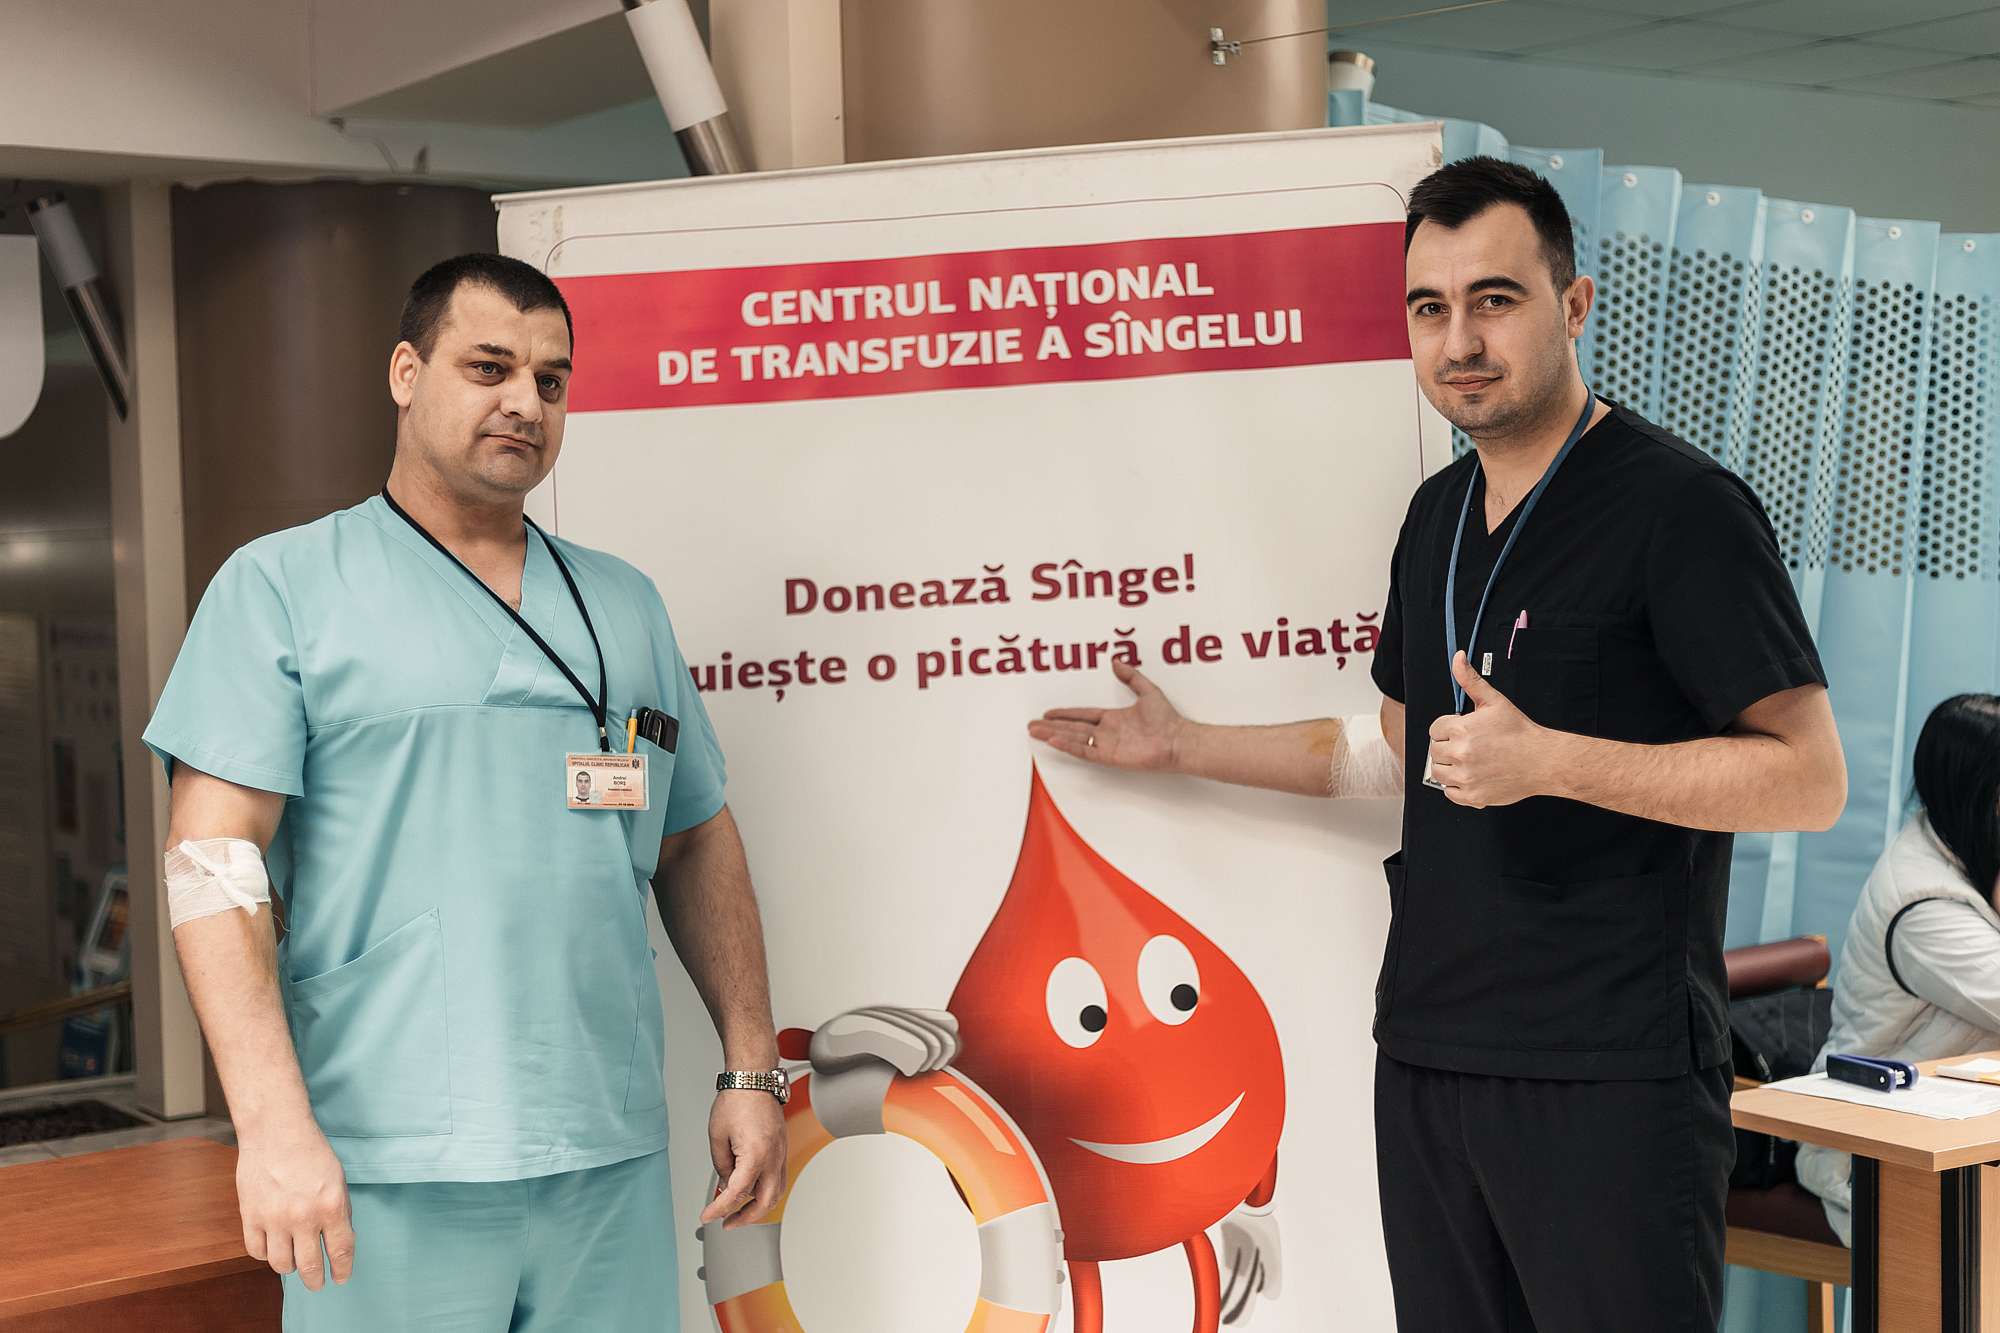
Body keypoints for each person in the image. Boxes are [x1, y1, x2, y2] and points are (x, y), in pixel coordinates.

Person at [1028, 157, 1847, 1332]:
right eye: (1429, 307)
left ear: (1572, 304)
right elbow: (1398, 749)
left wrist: (1553, 761)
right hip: (1429, 1053)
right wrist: (1186, 746)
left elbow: (1807, 779)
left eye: (1493, 300)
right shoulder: (1435, 518)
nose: (1458, 340)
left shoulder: (1679, 509)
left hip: (1607, 1072)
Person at [145, 254, 788, 1332]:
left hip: (608, 1155)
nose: (524, 402)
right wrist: (271, 1126)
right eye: (489, 367)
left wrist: (751, 1068)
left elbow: (693, 837)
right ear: (406, 373)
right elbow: (213, 863)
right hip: (383, 1158)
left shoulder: (623, 604)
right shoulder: (282, 587)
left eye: (550, 379)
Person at [1797, 694, 2000, 1243]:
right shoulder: (1923, 907)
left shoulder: (1964, 846)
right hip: (1877, 1155)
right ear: (1985, 795)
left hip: (1960, 1134)